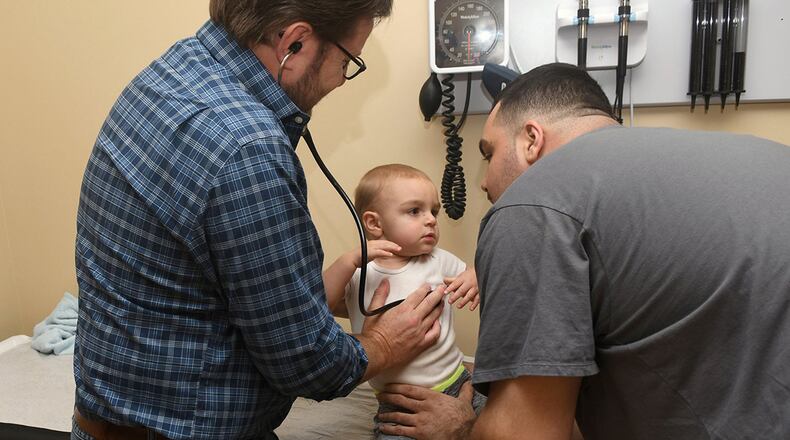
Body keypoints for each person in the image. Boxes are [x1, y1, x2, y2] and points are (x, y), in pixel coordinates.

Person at [72, 2, 448, 439]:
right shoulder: (247, 147)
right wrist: (382, 343)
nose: (341, 82)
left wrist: (305, 301)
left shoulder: (170, 73)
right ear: (295, 42)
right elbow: (308, 367)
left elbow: (201, 280)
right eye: (347, 61)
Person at [376, 62, 790, 440]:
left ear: (531, 141)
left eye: (489, 153)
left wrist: (464, 428)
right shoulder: (766, 158)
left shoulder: (534, 205)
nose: (484, 184)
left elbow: (523, 435)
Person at [322, 164, 487, 439]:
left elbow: (482, 276)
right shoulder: (362, 273)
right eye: (414, 211)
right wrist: (346, 262)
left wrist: (475, 274)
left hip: (459, 380)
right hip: (400, 401)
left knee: (501, 418)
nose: (431, 220)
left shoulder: (439, 259)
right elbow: (320, 306)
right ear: (374, 223)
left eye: (433, 211)